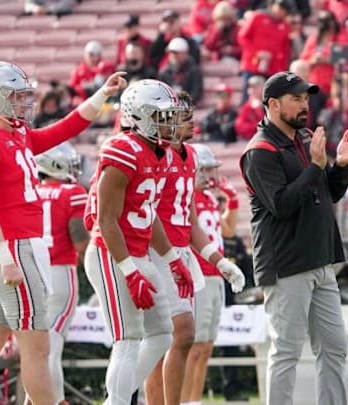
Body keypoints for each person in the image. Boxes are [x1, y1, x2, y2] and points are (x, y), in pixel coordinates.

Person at [0, 62, 124, 405]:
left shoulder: (18, 136)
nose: (21, 103)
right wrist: (6, 258)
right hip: (13, 249)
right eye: (14, 96)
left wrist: (102, 94)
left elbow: (66, 128)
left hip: (19, 248)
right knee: (38, 347)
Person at [239, 71, 348, 405]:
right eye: (296, 98)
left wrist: (342, 167)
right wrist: (315, 166)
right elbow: (281, 205)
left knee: (335, 347)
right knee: (287, 351)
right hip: (286, 265)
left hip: (320, 259)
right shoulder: (260, 151)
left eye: (306, 98)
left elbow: (328, 193)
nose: (304, 105)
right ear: (273, 104)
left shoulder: (305, 138)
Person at [83, 79, 195, 405]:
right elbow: (105, 221)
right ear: (142, 116)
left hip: (138, 250)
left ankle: (115, 400)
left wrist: (173, 259)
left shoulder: (158, 152)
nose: (171, 123)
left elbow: (148, 213)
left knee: (161, 333)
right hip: (111, 252)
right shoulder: (123, 149)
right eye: (163, 116)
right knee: (128, 338)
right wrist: (130, 271)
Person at [144, 92, 244, 405]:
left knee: (181, 339)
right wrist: (172, 257)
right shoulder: (152, 154)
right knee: (156, 343)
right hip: (154, 254)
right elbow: (145, 215)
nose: (189, 123)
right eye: (181, 116)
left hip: (182, 257)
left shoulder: (187, 157)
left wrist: (219, 259)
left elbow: (189, 222)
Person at [181, 144, 246, 405]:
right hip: (199, 274)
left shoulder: (207, 198)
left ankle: (194, 400)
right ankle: (184, 400)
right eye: (205, 170)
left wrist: (232, 201)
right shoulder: (187, 198)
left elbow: (227, 230)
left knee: (206, 346)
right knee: (193, 347)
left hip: (216, 275)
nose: (210, 176)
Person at [34, 142, 90, 405]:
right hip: (58, 272)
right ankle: (55, 401)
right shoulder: (71, 192)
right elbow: (79, 238)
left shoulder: (30, 192)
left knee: (36, 346)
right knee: (51, 345)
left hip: (30, 273)